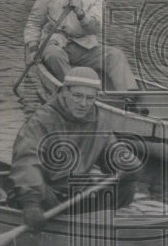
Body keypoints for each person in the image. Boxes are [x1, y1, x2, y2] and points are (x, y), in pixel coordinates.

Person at [7, 67, 137, 231]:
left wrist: (126, 162)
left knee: (126, 185)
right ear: (64, 92)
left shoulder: (99, 121)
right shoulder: (41, 120)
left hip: (76, 194)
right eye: (77, 96)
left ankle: (105, 228)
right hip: (45, 193)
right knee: (41, 197)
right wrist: (31, 201)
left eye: (89, 98)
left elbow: (112, 149)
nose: (83, 104)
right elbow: (26, 162)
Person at [23, 0, 139, 97]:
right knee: (53, 55)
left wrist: (80, 13)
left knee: (115, 55)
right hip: (55, 43)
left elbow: (95, 29)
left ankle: (129, 98)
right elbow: (34, 22)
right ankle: (78, 92)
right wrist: (32, 48)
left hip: (84, 46)